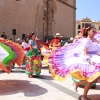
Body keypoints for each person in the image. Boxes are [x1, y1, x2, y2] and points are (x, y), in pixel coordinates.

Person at [49, 26, 100, 100]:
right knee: (92, 79)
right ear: (88, 32)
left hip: (96, 58)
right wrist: (89, 60)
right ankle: (84, 96)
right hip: (90, 59)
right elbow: (85, 51)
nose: (94, 33)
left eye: (95, 31)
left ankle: (78, 84)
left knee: (95, 79)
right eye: (93, 31)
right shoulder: (86, 40)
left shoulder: (94, 40)